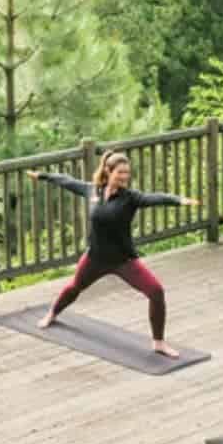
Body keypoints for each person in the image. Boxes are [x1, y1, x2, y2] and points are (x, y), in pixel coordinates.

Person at [27, 150, 199, 357]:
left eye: (127, 173)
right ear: (108, 171)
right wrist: (42, 176)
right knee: (74, 287)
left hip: (123, 260)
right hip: (95, 258)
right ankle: (52, 314)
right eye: (120, 173)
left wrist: (179, 200)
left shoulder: (130, 198)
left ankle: (158, 342)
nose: (125, 177)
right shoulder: (92, 191)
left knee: (156, 292)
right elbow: (66, 181)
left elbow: (154, 198)